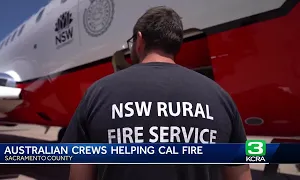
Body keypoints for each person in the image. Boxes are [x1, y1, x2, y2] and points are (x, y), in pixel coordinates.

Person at [61, 6, 252, 180]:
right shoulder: (220, 98)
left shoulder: (97, 95)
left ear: (140, 40)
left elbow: (80, 174)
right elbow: (240, 172)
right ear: (176, 44)